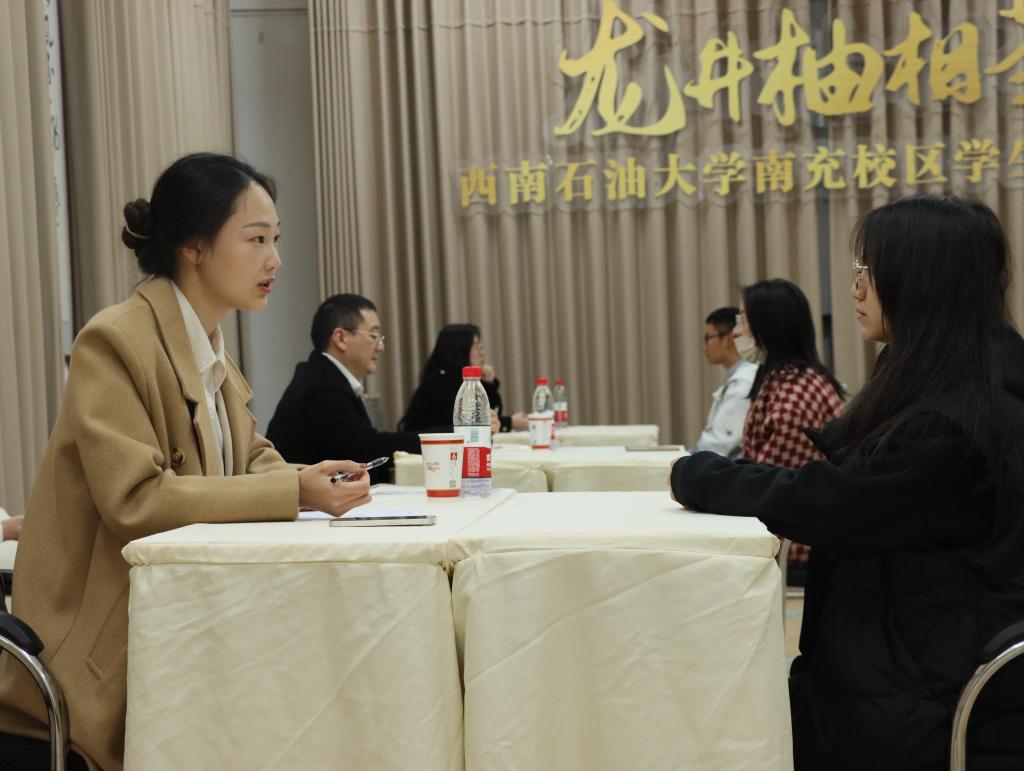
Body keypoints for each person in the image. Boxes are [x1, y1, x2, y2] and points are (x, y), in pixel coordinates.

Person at [0, 153, 371, 771]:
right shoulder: (115, 340)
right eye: (256, 239)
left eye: (276, 239)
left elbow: (251, 459)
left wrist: (312, 480)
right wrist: (297, 492)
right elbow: (136, 499)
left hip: (182, 633)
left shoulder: (210, 347)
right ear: (194, 247)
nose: (275, 260)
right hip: (101, 665)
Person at [671, 195, 1024, 769]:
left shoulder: (959, 419)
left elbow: (833, 503)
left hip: (927, 697)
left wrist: (701, 476)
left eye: (869, 271)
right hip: (916, 660)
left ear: (922, 281)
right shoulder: (954, 378)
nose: (856, 289)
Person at [266, 295, 499, 483]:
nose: (381, 347)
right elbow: (371, 449)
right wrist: (457, 434)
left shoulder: (324, 376)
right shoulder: (320, 387)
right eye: (374, 336)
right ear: (341, 338)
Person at [398, 324, 527, 433]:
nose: (481, 352)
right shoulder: (440, 383)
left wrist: (489, 383)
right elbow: (468, 421)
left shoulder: (460, 380)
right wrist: (511, 422)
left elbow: (490, 412)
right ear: (459, 349)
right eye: (476, 346)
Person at [694, 307, 758, 458]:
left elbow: (719, 446)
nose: (704, 347)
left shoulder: (744, 381)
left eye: (708, 338)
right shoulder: (738, 375)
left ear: (728, 340)